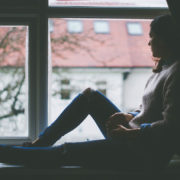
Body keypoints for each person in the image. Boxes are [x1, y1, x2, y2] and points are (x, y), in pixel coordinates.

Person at [0, 14, 180, 170]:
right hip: (132, 139)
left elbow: (171, 128)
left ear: (166, 39)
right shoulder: (164, 67)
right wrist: (128, 116)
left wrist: (128, 133)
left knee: (67, 152)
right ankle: (38, 144)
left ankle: (6, 154)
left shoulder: (176, 72)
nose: (149, 42)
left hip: (143, 154)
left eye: (153, 37)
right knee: (90, 96)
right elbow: (148, 110)